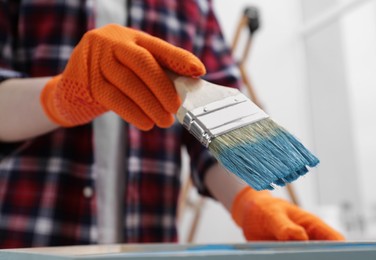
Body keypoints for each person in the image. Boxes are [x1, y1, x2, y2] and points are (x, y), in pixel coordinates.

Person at [0, 0, 344, 248]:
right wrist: (62, 96)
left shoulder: (196, 5)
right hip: (28, 240)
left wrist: (251, 202)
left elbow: (213, 127)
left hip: (152, 244)